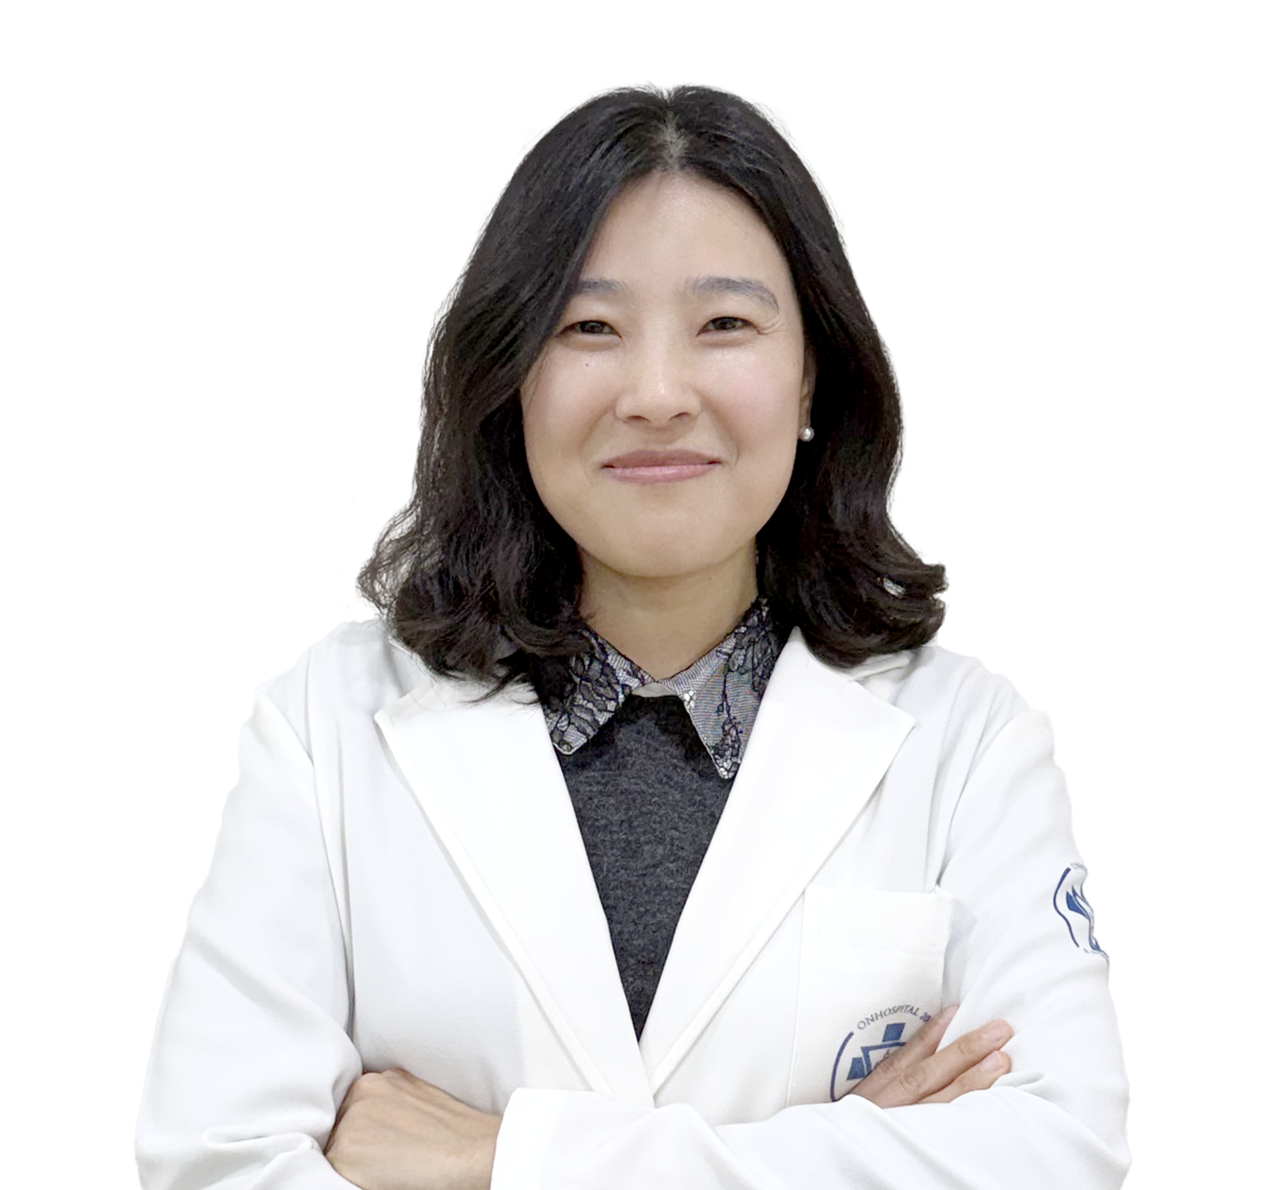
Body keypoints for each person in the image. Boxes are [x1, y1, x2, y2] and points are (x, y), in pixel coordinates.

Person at [134, 98, 1131, 1190]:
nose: (657, 395)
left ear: (810, 379)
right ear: (517, 378)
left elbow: (1066, 1158)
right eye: (590, 329)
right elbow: (212, 1166)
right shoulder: (327, 726)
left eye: (726, 325)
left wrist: (505, 1158)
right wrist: (843, 1150)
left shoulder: (965, 737)